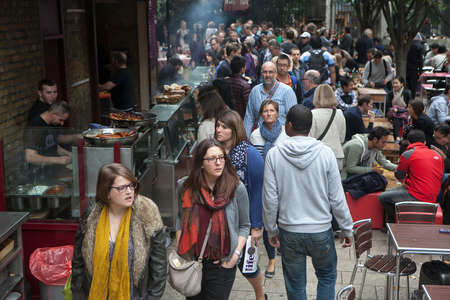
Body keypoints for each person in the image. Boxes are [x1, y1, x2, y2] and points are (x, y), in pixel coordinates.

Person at [263, 104, 353, 300]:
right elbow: (337, 197)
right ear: (309, 126)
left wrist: (271, 230)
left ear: (288, 125)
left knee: (295, 285)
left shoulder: (274, 155)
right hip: (321, 230)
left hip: (289, 231)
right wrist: (347, 228)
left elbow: (270, 198)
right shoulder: (326, 153)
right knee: (327, 277)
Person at [71, 163, 167, 299]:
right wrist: (78, 293)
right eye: (121, 188)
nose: (129, 191)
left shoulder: (147, 214)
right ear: (107, 192)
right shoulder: (91, 216)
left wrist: (152, 297)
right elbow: (78, 261)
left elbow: (159, 266)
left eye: (131, 185)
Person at [175, 139, 250, 300]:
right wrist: (182, 248)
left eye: (221, 157)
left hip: (222, 266)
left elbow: (245, 225)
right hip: (193, 262)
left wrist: (235, 255)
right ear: (201, 163)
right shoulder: (186, 187)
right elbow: (180, 219)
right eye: (212, 159)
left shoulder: (236, 188)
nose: (218, 163)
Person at [215, 110, 266, 300]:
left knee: (247, 265)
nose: (219, 130)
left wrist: (256, 226)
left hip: (242, 221)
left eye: (224, 127)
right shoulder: (215, 151)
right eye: (218, 126)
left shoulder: (249, 154)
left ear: (234, 130)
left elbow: (257, 192)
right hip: (219, 217)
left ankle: (260, 296)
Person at [378, 130, 444, 223]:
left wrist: (404, 182)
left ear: (409, 142)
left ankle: (392, 223)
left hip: (418, 195)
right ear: (424, 142)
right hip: (434, 195)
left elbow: (399, 174)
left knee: (383, 197)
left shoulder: (408, 154)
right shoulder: (437, 155)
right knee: (391, 191)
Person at [244, 62, 297, 137]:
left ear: (276, 74)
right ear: (261, 74)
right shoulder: (255, 91)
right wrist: (245, 139)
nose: (267, 75)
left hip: (281, 139)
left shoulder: (287, 91)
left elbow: (293, 118)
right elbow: (249, 117)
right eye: (265, 72)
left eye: (270, 72)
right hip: (259, 138)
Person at [24, 101, 72, 172]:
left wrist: (69, 154)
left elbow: (53, 145)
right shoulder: (35, 127)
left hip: (50, 172)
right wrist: (58, 160)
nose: (62, 123)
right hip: (37, 174)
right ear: (53, 114)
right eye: (60, 120)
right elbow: (30, 157)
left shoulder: (52, 124)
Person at [309, 84, 346, 170]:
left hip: (319, 157)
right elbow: (342, 138)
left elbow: (310, 138)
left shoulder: (312, 114)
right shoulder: (340, 113)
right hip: (337, 156)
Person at [387, 76, 412, 141]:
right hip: (393, 113)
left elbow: (409, 107)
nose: (394, 85)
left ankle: (397, 137)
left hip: (404, 112)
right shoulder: (390, 93)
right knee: (396, 117)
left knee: (397, 118)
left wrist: (399, 110)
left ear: (401, 84)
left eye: (396, 83)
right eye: (393, 83)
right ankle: (397, 137)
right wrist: (394, 110)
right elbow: (388, 106)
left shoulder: (407, 93)